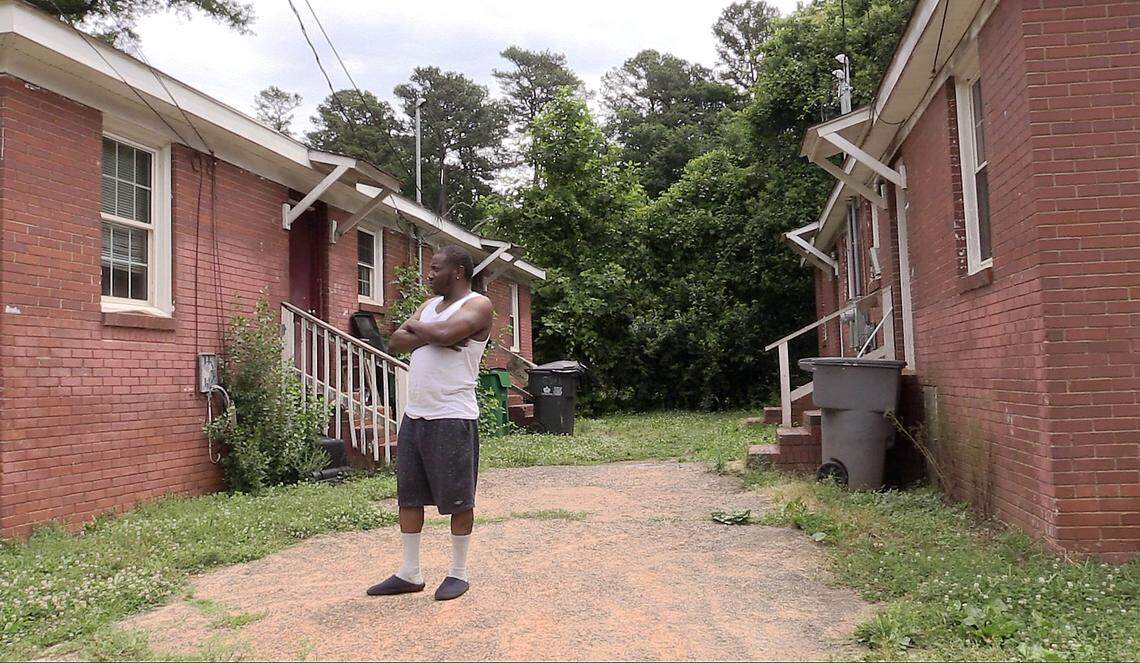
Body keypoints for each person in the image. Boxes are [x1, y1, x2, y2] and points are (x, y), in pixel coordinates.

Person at [366, 245, 493, 601]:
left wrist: (425, 333)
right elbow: (395, 341)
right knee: (409, 496)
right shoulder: (428, 306)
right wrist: (430, 332)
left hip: (453, 416)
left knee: (458, 498)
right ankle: (410, 572)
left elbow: (439, 336)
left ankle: (458, 573)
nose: (429, 274)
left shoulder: (478, 304)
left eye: (435, 268)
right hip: (415, 415)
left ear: (457, 272)